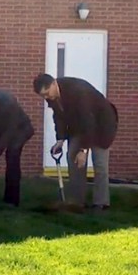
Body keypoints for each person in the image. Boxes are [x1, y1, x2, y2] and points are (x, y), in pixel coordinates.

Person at [34, 73, 118, 210]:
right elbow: (59, 117)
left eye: (47, 93)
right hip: (79, 126)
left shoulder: (78, 91)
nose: (46, 98)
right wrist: (60, 139)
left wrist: (83, 150)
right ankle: (77, 201)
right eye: (43, 96)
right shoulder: (52, 96)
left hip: (102, 125)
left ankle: (101, 203)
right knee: (73, 158)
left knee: (100, 165)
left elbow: (88, 122)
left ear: (54, 84)